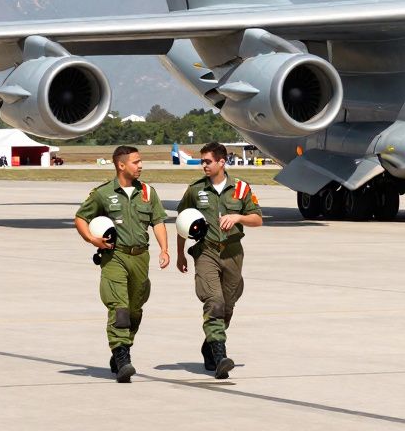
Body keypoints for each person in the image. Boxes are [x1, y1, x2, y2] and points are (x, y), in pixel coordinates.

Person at [74, 145, 170, 382]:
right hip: (114, 256)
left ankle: (120, 351)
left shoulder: (148, 192)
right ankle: (122, 356)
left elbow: (158, 221)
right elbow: (81, 217)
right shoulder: (103, 193)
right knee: (120, 308)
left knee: (136, 309)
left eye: (140, 162)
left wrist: (165, 249)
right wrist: (91, 238)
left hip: (141, 257)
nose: (140, 166)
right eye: (136, 162)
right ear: (121, 165)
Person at [177, 141, 263, 379]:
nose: (203, 165)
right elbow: (182, 222)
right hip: (206, 251)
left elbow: (258, 219)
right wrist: (179, 253)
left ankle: (209, 346)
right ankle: (220, 356)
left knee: (227, 306)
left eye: (207, 161)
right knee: (214, 302)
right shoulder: (195, 190)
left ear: (221, 162)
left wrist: (237, 217)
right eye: (202, 161)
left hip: (233, 253)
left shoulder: (241, 189)